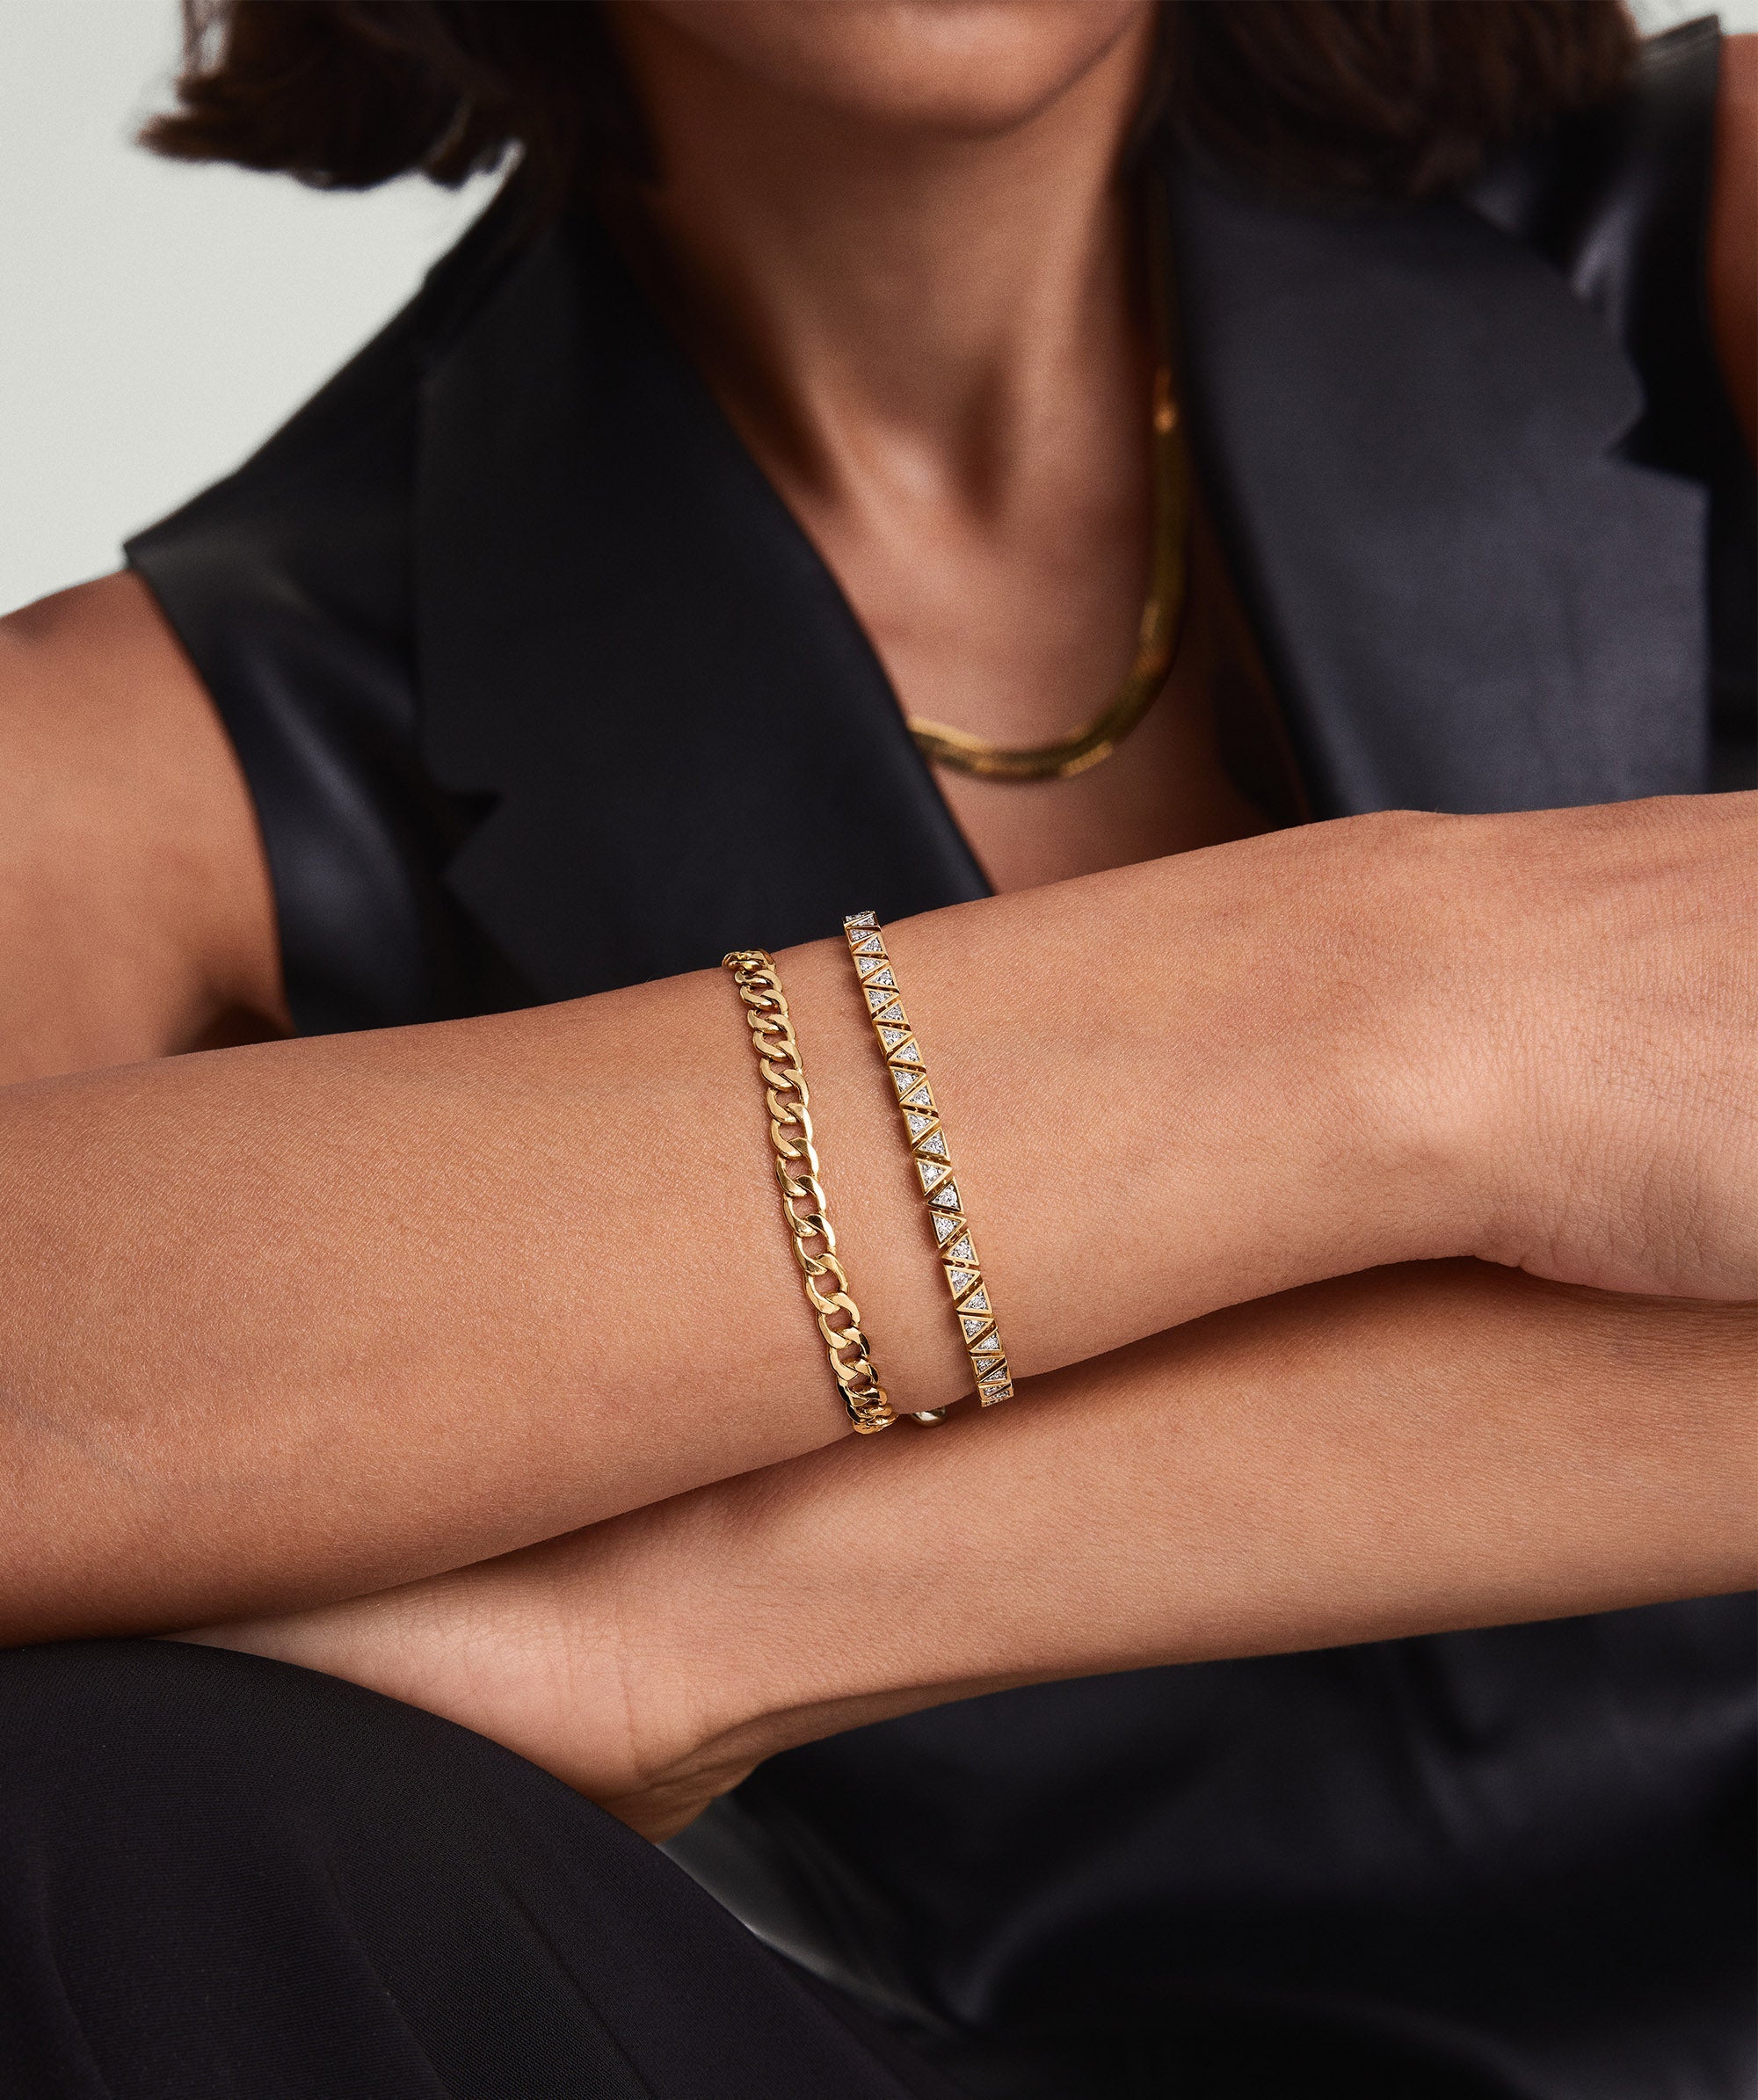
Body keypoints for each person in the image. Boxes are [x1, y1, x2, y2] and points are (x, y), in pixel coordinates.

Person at [0, 2, 1752, 2094]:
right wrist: (1376, 1003)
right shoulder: (148, 749)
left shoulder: (1711, 211)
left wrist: (719, 1609)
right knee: (88, 1785)